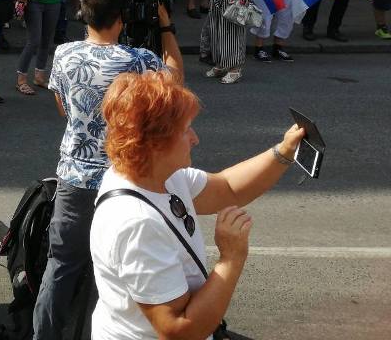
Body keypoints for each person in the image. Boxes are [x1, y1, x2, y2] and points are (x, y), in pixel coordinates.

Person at [90, 69, 306, 340]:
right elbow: (179, 330)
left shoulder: (159, 175)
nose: (195, 138)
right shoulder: (136, 223)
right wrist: (231, 258)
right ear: (155, 144)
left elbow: (228, 187)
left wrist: (284, 151)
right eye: (185, 130)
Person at [31, 0, 180, 340]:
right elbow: (174, 83)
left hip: (75, 176)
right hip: (123, 180)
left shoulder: (65, 54)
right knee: (113, 268)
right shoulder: (140, 60)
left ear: (84, 15)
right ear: (120, 18)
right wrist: (165, 24)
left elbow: (63, 108)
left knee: (62, 264)